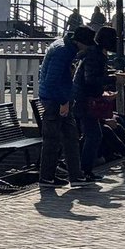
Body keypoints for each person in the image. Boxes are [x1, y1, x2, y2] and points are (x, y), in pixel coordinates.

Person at [36, 29, 87, 188]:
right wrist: (63, 101)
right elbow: (52, 80)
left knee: (69, 138)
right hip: (55, 100)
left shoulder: (63, 46)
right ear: (80, 42)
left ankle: (72, 176)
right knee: (54, 140)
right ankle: (47, 178)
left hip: (56, 97)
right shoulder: (63, 52)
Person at [72, 25, 119, 181]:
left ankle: (83, 169)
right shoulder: (96, 56)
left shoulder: (94, 53)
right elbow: (91, 79)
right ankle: (84, 170)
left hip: (83, 99)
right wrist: (113, 79)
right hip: (85, 100)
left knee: (92, 135)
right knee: (93, 135)